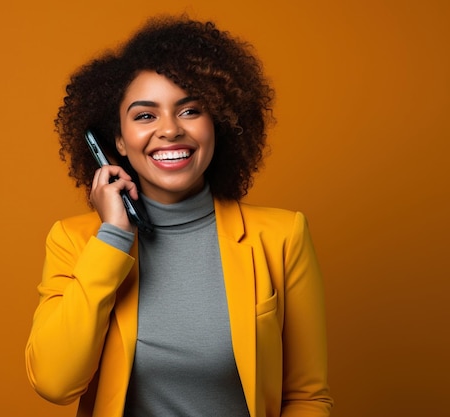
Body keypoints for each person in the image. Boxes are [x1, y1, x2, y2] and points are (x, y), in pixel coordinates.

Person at [25, 15, 333, 417]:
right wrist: (114, 236)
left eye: (189, 111)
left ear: (217, 124)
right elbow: (54, 383)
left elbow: (308, 398)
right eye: (145, 115)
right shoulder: (74, 241)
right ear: (116, 139)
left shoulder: (281, 236)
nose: (169, 130)